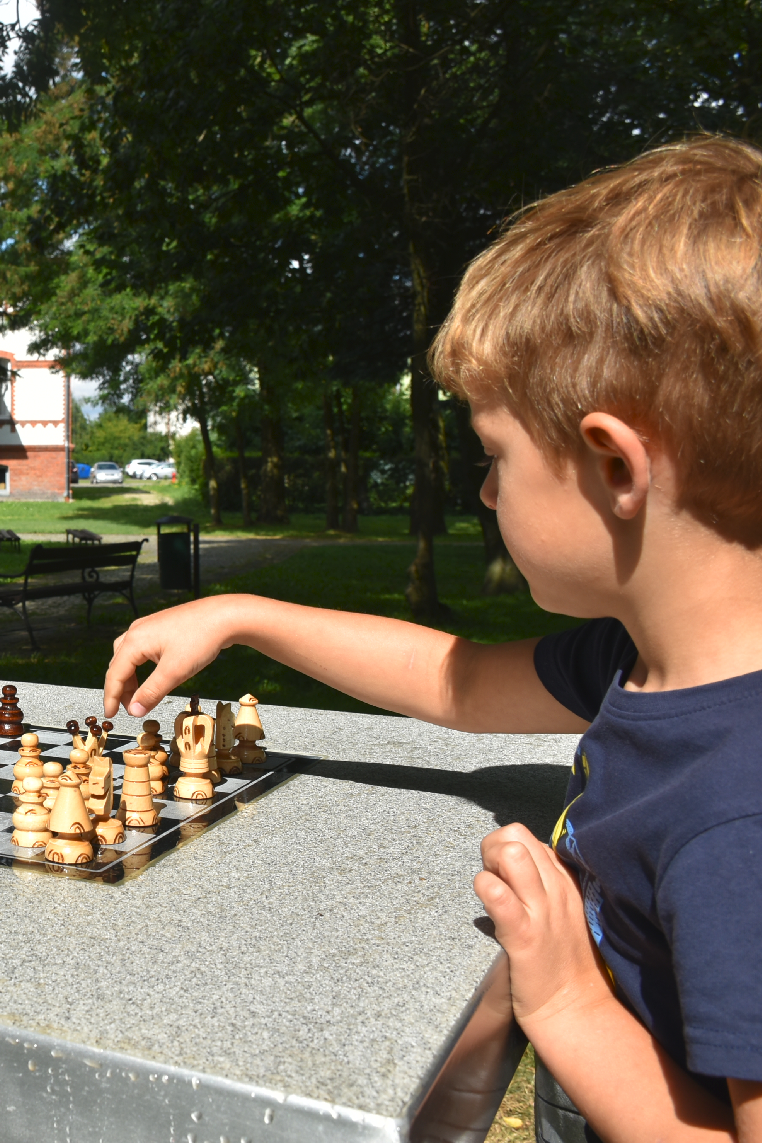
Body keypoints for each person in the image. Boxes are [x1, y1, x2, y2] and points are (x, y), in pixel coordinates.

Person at [103, 137, 762, 1142]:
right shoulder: (642, 662)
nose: (484, 490)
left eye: (493, 454)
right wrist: (246, 615)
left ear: (614, 466)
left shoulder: (737, 825)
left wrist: (568, 1003)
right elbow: (452, 683)